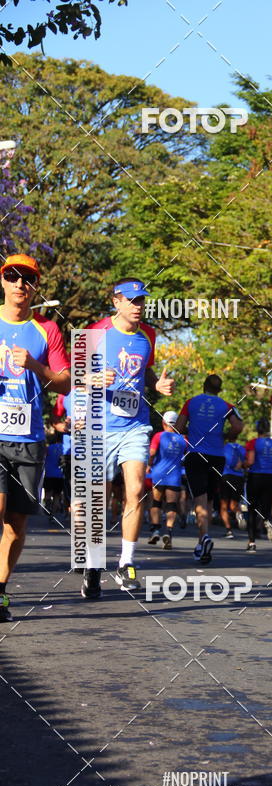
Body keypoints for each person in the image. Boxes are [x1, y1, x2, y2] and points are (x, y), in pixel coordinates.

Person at [81, 277, 174, 599]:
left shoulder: (149, 334)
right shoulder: (94, 332)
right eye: (132, 301)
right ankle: (93, 563)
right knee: (99, 499)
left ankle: (126, 562)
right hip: (99, 425)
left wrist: (156, 385)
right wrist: (92, 377)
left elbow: (145, 371)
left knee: (135, 489)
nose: (138, 307)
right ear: (116, 301)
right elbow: (71, 377)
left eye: (141, 301)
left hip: (135, 426)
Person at [0, 254, 70, 622]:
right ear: (3, 282)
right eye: (12, 277)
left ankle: (0, 591)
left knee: (16, 525)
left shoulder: (47, 330)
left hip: (28, 438)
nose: (19, 285)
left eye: (27, 279)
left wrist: (34, 365)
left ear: (35, 287)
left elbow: (64, 382)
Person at [176, 374, 243, 564]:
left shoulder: (191, 402)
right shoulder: (227, 406)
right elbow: (238, 426)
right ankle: (201, 544)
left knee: (199, 497)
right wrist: (226, 436)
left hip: (196, 454)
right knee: (210, 500)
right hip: (217, 456)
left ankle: (204, 536)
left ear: (203, 386)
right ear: (219, 390)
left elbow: (179, 427)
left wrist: (192, 431)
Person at [147, 410, 187, 549]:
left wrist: (148, 465)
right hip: (174, 475)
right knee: (171, 505)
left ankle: (155, 530)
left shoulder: (158, 436)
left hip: (158, 473)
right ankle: (168, 533)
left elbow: (151, 453)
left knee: (156, 502)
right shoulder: (183, 439)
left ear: (164, 423)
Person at [244, 418, 272, 552]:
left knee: (251, 509)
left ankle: (251, 543)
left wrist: (242, 465)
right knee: (265, 507)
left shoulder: (252, 443)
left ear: (257, 430)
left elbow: (250, 461)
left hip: (255, 477)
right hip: (270, 478)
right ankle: (267, 521)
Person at [220, 437, 246, 538]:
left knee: (224, 506)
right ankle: (238, 513)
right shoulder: (242, 449)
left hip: (226, 476)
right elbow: (246, 463)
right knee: (234, 504)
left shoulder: (224, 447)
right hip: (239, 478)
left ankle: (229, 531)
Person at [43, 438, 65, 517]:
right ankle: (53, 514)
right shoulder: (64, 447)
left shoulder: (49, 448)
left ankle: (47, 504)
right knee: (57, 495)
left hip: (49, 474)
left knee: (48, 493)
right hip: (60, 475)